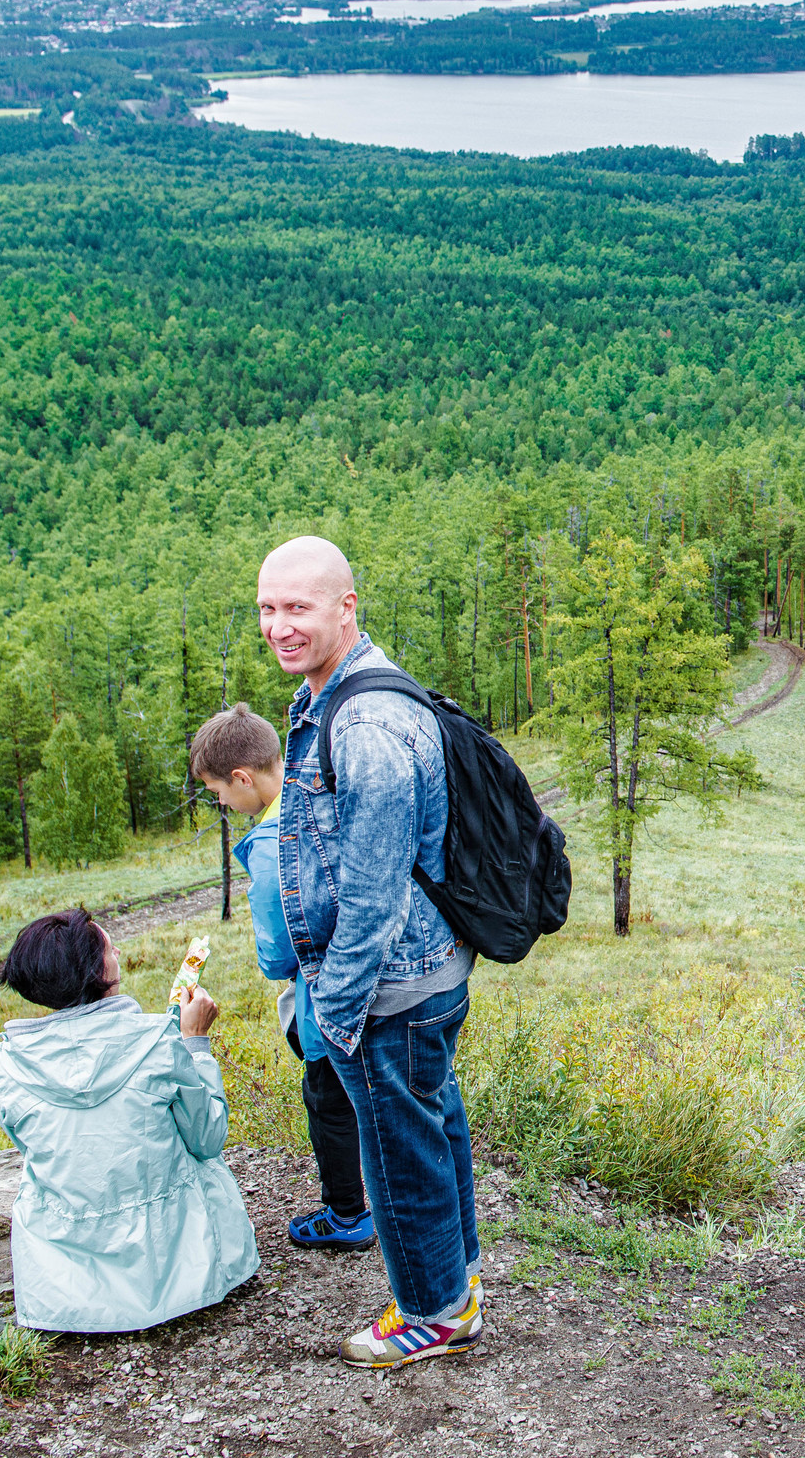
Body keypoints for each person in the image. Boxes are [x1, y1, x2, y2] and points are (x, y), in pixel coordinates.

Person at [258, 534, 482, 1367]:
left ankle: (432, 1310)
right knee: (433, 1123)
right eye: (268, 609)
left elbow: (375, 889)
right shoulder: (342, 690)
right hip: (424, 968)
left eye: (299, 608)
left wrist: (338, 1007)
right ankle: (455, 1283)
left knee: (397, 1146)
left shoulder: (366, 724)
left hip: (390, 982)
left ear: (345, 606)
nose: (280, 626)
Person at [0, 909, 259, 1333]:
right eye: (110, 947)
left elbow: (32, 1149)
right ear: (100, 972)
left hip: (66, 1288)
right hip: (179, 1266)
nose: (118, 950)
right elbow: (208, 1139)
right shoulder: (158, 1041)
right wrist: (196, 1045)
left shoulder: (5, 1066)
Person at [191, 701, 373, 1251]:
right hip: (380, 976)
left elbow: (277, 955)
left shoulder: (272, 847)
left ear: (243, 777)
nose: (222, 802)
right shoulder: (323, 788)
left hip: (326, 999)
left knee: (328, 1100)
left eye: (221, 792)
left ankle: (347, 1215)